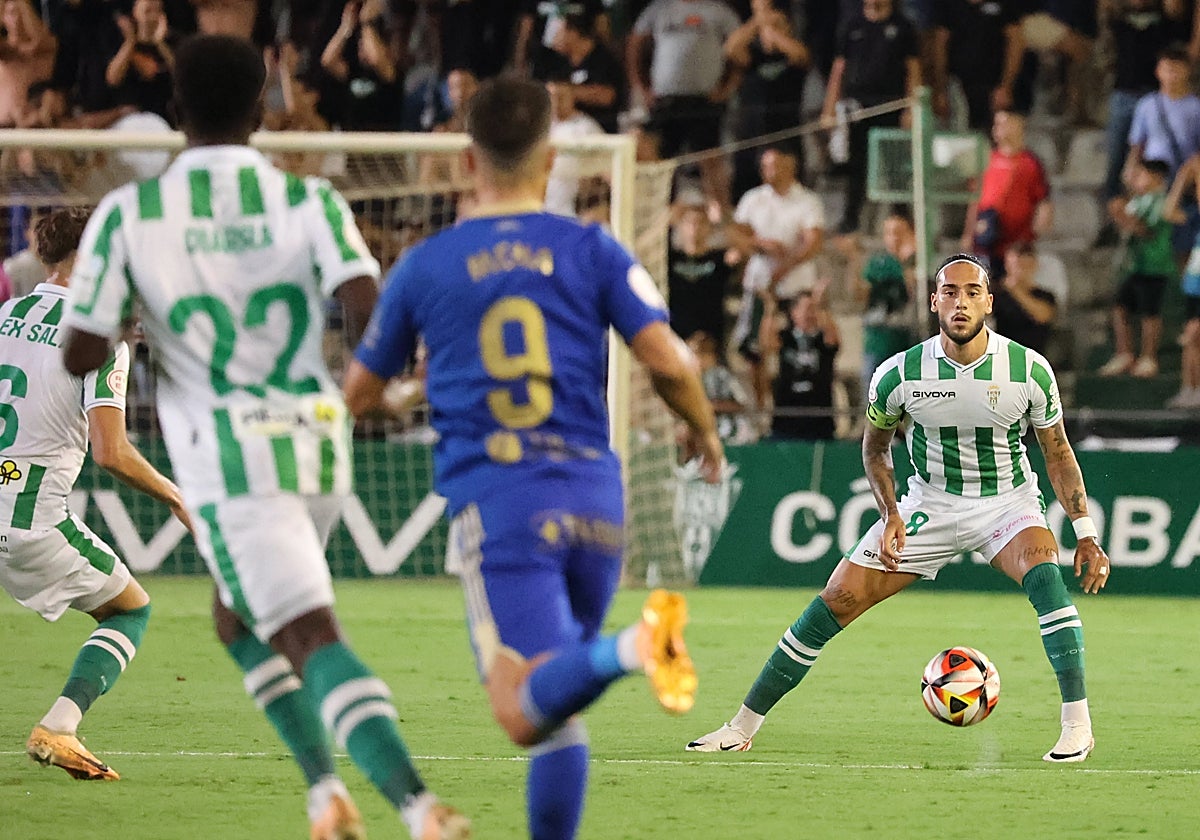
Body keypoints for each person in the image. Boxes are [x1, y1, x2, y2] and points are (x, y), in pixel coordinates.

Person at [60, 35, 468, 840]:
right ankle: (325, 798)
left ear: (175, 113)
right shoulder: (309, 200)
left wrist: (143, 315)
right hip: (318, 440)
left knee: (307, 631)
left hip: (228, 456)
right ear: (261, 113)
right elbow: (364, 305)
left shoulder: (128, 215)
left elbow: (79, 350)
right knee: (235, 619)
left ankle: (420, 810)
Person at [342, 77, 723, 840]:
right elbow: (669, 361)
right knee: (556, 705)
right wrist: (704, 432)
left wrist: (399, 398)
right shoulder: (591, 247)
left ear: (464, 157)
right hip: (597, 497)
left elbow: (357, 393)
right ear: (550, 155)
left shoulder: (427, 264)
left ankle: (636, 645)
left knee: (519, 708)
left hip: (505, 502)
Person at [687, 254, 1111, 764]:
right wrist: (890, 513)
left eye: (972, 292)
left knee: (1046, 579)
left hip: (1007, 503)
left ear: (989, 303)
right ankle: (741, 726)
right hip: (928, 503)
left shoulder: (1028, 369)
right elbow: (874, 449)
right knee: (836, 599)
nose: (960, 301)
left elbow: (1058, 453)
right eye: (949, 292)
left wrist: (1084, 531)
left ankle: (1077, 727)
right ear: (933, 301)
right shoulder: (899, 374)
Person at [2, 208, 189, 781]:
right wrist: (177, 499)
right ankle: (59, 726)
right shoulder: (98, 337)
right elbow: (112, 453)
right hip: (27, 518)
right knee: (130, 609)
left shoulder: (7, 314)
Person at [727, 145, 825, 411]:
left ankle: (788, 407)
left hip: (795, 289)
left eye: (775, 166)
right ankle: (761, 408)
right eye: (766, 166)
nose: (768, 172)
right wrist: (762, 244)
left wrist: (785, 265)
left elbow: (813, 242)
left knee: (791, 350)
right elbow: (736, 234)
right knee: (754, 350)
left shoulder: (807, 201)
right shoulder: (753, 199)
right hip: (758, 285)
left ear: (790, 166)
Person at [820, 0, 920, 235]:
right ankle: (851, 219)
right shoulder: (852, 25)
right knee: (855, 167)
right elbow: (839, 68)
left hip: (891, 107)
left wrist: (911, 107)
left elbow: (913, 68)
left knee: (896, 168)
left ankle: (903, 220)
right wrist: (829, 107)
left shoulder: (902, 26)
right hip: (858, 108)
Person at [1098, 158, 1174, 378]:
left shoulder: (1161, 201)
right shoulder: (1138, 201)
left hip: (1154, 266)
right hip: (1135, 267)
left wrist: (1122, 216)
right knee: (1121, 306)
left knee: (1150, 313)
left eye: (1142, 175)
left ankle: (1149, 357)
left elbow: (1146, 230)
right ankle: (1125, 353)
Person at [961, 109, 1053, 275]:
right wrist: (968, 233)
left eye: (1005, 123)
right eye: (997, 124)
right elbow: (975, 200)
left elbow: (1043, 200)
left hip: (1016, 247)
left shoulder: (1030, 164)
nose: (999, 129)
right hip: (986, 243)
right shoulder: (987, 160)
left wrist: (1036, 233)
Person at [758, 287, 839, 441]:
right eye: (806, 309)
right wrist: (770, 310)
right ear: (793, 312)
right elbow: (766, 343)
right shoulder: (786, 337)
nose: (810, 314)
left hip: (820, 422)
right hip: (787, 421)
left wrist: (822, 306)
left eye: (813, 309)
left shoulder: (822, 339)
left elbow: (833, 341)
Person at [1165, 154, 1200, 408]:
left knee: (1193, 335)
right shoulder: (1195, 218)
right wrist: (1182, 177)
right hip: (1194, 288)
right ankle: (1190, 388)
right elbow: (1169, 212)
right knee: (1191, 338)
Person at [993, 240, 1058, 355]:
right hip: (1003, 357)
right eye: (1016, 264)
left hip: (1035, 357)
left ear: (1034, 264)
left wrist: (1016, 290)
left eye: (1025, 265)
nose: (1020, 269)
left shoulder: (1045, 296)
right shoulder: (996, 295)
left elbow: (1043, 316)